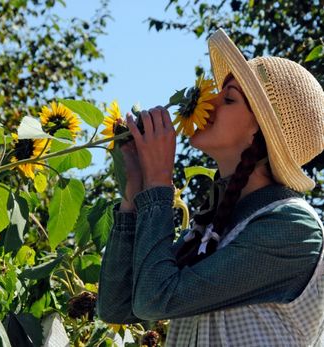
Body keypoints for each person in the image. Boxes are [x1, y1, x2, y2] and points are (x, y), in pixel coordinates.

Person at [97, 28, 324, 346]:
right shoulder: (213, 225)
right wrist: (135, 189)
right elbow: (117, 306)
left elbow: (156, 299)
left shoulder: (292, 227)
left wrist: (159, 182)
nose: (210, 102)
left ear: (257, 133)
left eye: (228, 98)